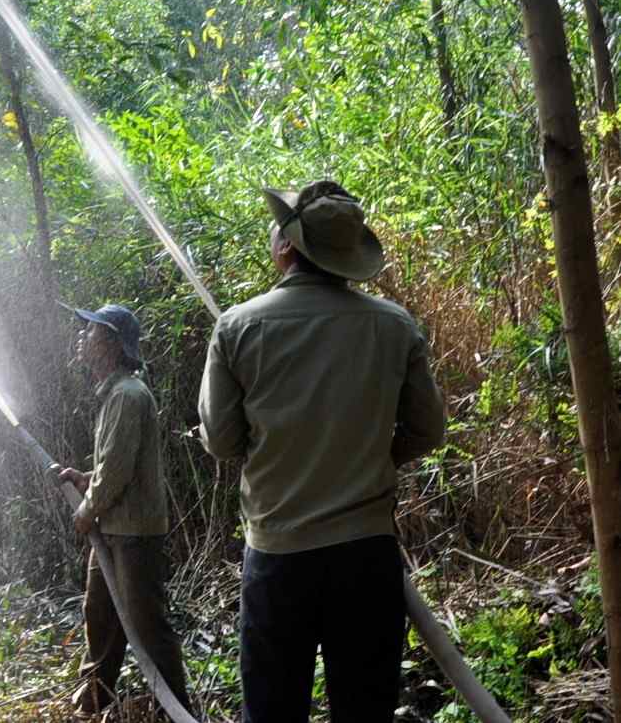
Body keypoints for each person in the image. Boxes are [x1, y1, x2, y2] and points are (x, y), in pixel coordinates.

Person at [197, 180, 447, 723]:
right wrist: (372, 458)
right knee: (364, 711)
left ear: (287, 247)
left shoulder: (237, 327)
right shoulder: (394, 325)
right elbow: (429, 430)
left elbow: (220, 441)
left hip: (278, 558)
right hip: (366, 558)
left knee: (272, 711)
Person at [56, 303, 195, 717]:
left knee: (146, 626)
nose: (83, 338)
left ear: (114, 345)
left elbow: (115, 472)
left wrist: (87, 510)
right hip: (116, 528)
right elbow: (112, 466)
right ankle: (92, 702)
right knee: (99, 616)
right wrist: (87, 479)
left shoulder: (128, 396)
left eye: (93, 332)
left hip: (133, 534)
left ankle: (177, 710)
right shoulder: (116, 394)